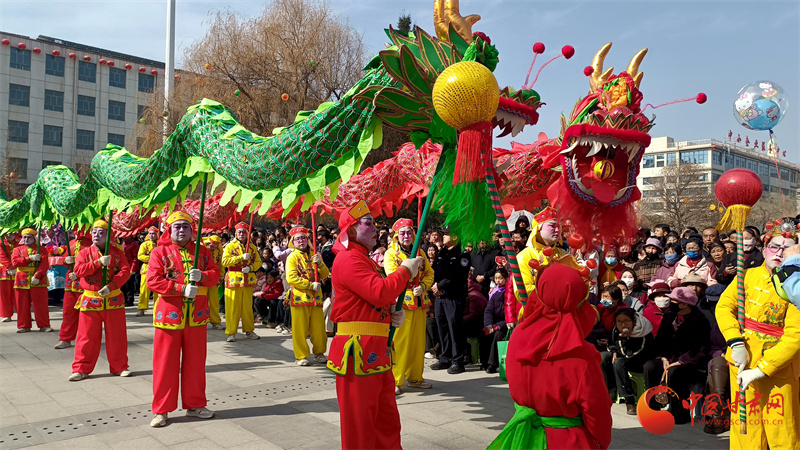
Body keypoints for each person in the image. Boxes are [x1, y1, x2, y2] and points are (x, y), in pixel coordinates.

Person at [326, 200, 423, 450]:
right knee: (360, 426)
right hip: (357, 351)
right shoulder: (348, 259)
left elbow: (371, 300)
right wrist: (405, 271)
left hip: (376, 350)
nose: (375, 229)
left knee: (386, 422)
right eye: (367, 223)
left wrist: (391, 313)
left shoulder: (363, 259)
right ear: (351, 230)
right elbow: (378, 291)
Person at [489, 259, 612, 450]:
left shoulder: (518, 336)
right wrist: (601, 442)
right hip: (568, 442)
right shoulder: (582, 354)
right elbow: (597, 410)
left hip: (523, 437)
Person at [716, 228, 799, 449]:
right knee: (746, 428)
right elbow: (724, 307)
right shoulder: (746, 276)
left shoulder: (796, 286)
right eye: (774, 247)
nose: (779, 252)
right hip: (742, 360)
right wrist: (735, 342)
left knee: (782, 429)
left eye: (787, 248)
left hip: (779, 368)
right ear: (763, 250)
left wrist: (762, 369)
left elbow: (795, 336)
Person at [146, 211, 220, 427]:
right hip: (169, 317)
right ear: (169, 230)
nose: (181, 230)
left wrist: (203, 276)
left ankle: (195, 405)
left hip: (196, 317)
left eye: (185, 226)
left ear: (192, 230)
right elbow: (153, 280)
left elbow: (216, 274)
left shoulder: (203, 252)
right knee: (164, 365)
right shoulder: (160, 252)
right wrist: (180, 289)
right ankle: (161, 410)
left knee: (195, 364)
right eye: (176, 226)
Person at [69, 219, 131, 381]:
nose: (96, 235)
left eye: (101, 232)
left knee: (117, 336)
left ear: (109, 235)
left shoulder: (118, 252)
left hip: (113, 299)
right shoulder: (84, 253)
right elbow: (78, 270)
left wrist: (111, 286)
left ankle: (120, 366)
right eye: (94, 232)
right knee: (86, 336)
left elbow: (125, 271)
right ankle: (81, 368)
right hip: (91, 300)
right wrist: (97, 263)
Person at [644, 287, 711, 424]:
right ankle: (654, 406)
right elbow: (661, 340)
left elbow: (700, 348)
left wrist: (681, 361)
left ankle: (679, 414)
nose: (671, 303)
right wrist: (663, 358)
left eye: (674, 301)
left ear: (684, 304)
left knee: (675, 373)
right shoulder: (669, 316)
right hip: (669, 357)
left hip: (691, 362)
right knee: (650, 366)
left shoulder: (700, 320)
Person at [384, 218, 435, 394]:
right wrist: (409, 274)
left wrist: (424, 286)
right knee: (400, 343)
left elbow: (429, 273)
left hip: (419, 303)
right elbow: (392, 275)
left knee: (418, 343)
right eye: (402, 233)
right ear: (397, 236)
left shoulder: (420, 252)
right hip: (402, 303)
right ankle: (395, 380)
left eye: (409, 232)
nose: (406, 236)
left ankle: (415, 377)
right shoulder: (391, 254)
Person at [285, 225, 330, 365]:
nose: (301, 241)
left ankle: (319, 352)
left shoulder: (316, 255)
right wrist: (310, 285)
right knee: (300, 329)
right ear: (293, 242)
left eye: (303, 238)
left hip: (316, 297)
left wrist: (320, 264)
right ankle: (301, 355)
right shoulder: (292, 257)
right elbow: (291, 278)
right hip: (300, 297)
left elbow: (325, 274)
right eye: (298, 239)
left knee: (319, 329)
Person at [430, 226, 471, 374]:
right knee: (443, 328)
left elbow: (457, 275)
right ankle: (445, 357)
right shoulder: (442, 253)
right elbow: (434, 271)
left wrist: (440, 285)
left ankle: (457, 360)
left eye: (446, 234)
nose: (443, 236)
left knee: (455, 328)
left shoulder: (462, 254)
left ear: (455, 236)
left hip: (454, 296)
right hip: (440, 296)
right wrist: (434, 285)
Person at [600, 308, 655, 414]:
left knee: (618, 362)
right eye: (619, 322)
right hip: (624, 356)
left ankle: (629, 400)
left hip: (640, 360)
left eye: (626, 321)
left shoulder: (642, 332)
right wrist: (614, 351)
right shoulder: (616, 330)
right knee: (603, 357)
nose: (623, 325)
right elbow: (611, 343)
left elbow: (630, 354)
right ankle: (611, 390)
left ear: (633, 321)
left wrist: (623, 340)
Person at [222, 222, 262, 342]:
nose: (241, 234)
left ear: (248, 233)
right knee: (232, 307)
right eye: (239, 232)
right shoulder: (230, 246)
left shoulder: (252, 247)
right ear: (236, 233)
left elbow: (258, 262)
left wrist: (251, 268)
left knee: (247, 308)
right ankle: (231, 332)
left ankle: (249, 330)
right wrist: (240, 258)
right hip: (233, 279)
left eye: (244, 232)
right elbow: (224, 261)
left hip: (247, 279)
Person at [53, 232, 92, 349]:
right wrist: (66, 260)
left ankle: (87, 339)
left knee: (87, 315)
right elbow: (65, 260)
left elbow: (94, 264)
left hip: (86, 283)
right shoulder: (72, 243)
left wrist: (79, 274)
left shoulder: (92, 244)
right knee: (68, 312)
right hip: (71, 283)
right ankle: (65, 338)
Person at [11, 228, 52, 333]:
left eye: (29, 237)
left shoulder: (41, 249)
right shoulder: (17, 249)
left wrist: (37, 276)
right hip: (21, 280)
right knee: (22, 304)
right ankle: (23, 326)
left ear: (34, 238)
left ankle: (44, 325)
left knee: (41, 304)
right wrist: (30, 259)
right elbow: (15, 262)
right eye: (24, 237)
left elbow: (44, 264)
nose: (26, 239)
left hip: (38, 280)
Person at [484, 268, 509, 374]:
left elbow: (511, 315)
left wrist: (498, 326)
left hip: (507, 324)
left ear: (506, 279)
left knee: (498, 334)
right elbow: (488, 310)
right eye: (496, 278)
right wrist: (488, 324)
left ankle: (493, 364)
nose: (498, 281)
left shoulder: (509, 293)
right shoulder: (494, 294)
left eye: (501, 278)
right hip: (496, 323)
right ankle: (485, 362)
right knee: (485, 333)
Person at [201, 235, 225, 330]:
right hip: (201, 277)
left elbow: (221, 263)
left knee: (214, 300)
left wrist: (221, 276)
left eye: (215, 246)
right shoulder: (201, 246)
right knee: (201, 300)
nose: (213, 248)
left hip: (213, 277)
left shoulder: (219, 249)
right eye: (212, 246)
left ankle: (215, 321)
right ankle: (200, 320)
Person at [136, 227, 159, 316]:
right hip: (147, 268)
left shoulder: (160, 244)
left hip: (158, 269)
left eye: (154, 233)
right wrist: (152, 259)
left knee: (157, 289)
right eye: (150, 233)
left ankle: (157, 308)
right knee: (144, 289)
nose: (151, 235)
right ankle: (142, 308)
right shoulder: (144, 244)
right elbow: (140, 256)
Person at [0, 233, 19, 322]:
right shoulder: (1, 242)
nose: (8, 235)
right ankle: (6, 315)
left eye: (11, 233)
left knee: (19, 294)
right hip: (4, 270)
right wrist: (10, 267)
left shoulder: (20, 242)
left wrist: (15, 267)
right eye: (6, 233)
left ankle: (23, 314)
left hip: (18, 269)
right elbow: (1, 256)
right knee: (4, 294)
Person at [121, 236, 139, 306]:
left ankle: (130, 300)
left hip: (130, 266)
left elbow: (136, 258)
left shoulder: (134, 245)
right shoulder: (123, 243)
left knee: (129, 285)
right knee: (123, 285)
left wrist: (133, 269)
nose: (124, 238)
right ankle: (124, 299)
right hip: (123, 266)